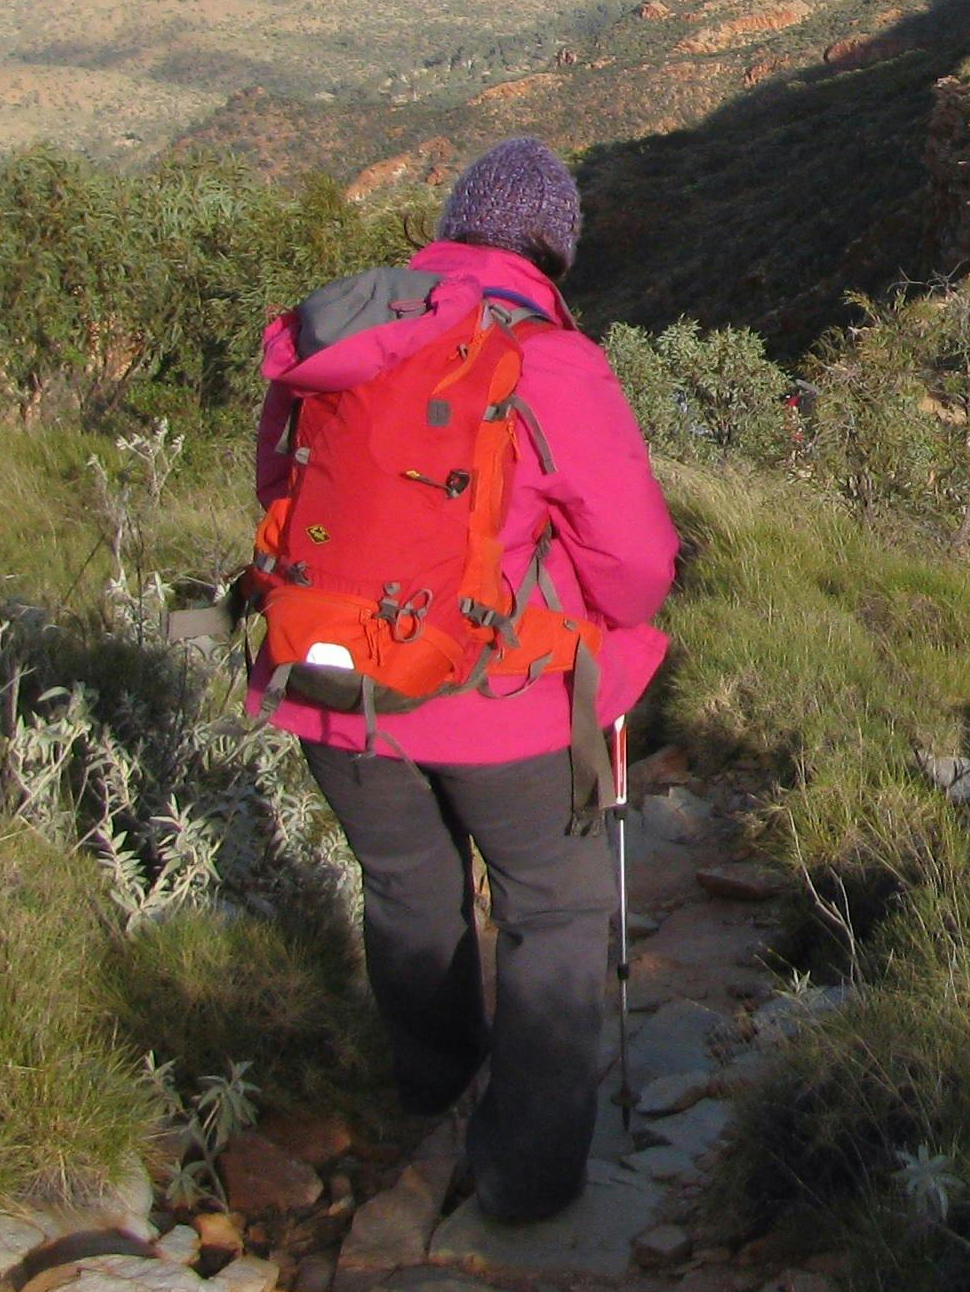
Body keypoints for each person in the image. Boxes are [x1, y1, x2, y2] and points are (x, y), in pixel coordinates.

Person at [248, 137, 677, 1224]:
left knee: (403, 885)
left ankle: (432, 1095)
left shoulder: (346, 329)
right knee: (555, 908)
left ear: (449, 226)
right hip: (499, 705)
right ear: (555, 250)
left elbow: (278, 489)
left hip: (331, 679)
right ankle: (526, 1177)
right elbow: (635, 565)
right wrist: (602, 632)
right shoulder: (549, 360)